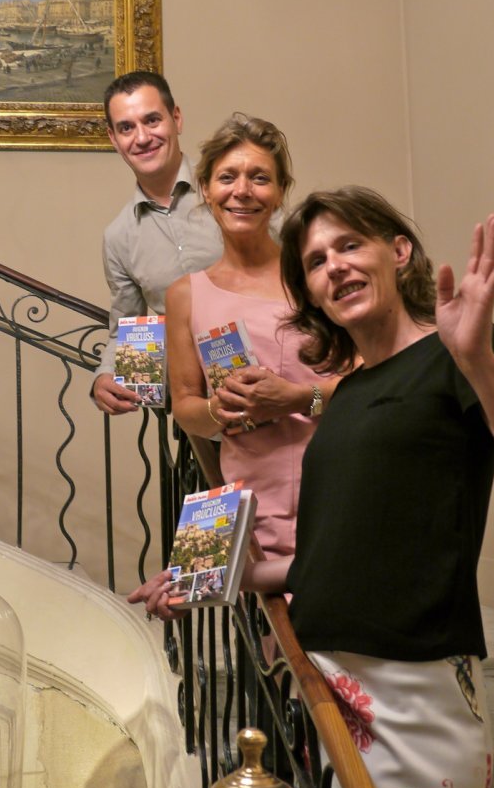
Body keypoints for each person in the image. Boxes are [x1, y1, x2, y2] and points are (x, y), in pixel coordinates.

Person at [269, 187, 494, 788]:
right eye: (317, 261)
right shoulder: (347, 391)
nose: (336, 267)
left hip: (418, 695)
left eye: (350, 245)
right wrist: (216, 576)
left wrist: (479, 363)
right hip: (323, 689)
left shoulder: (464, 353)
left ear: (399, 250)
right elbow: (340, 543)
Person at [128, 114, 339, 611]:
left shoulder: (316, 276)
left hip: (334, 484)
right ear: (205, 187)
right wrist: (220, 410)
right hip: (254, 501)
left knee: (336, 645)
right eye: (227, 177)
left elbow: (372, 384)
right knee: (279, 659)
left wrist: (296, 397)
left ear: (281, 190)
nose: (242, 191)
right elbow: (184, 406)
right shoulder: (185, 295)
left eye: (259, 178)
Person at [92, 71, 223, 415]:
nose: (142, 137)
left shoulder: (232, 191)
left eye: (152, 120)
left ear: (176, 119)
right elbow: (130, 330)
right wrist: (106, 375)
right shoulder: (118, 237)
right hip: (200, 415)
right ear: (113, 138)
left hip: (279, 389)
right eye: (126, 127)